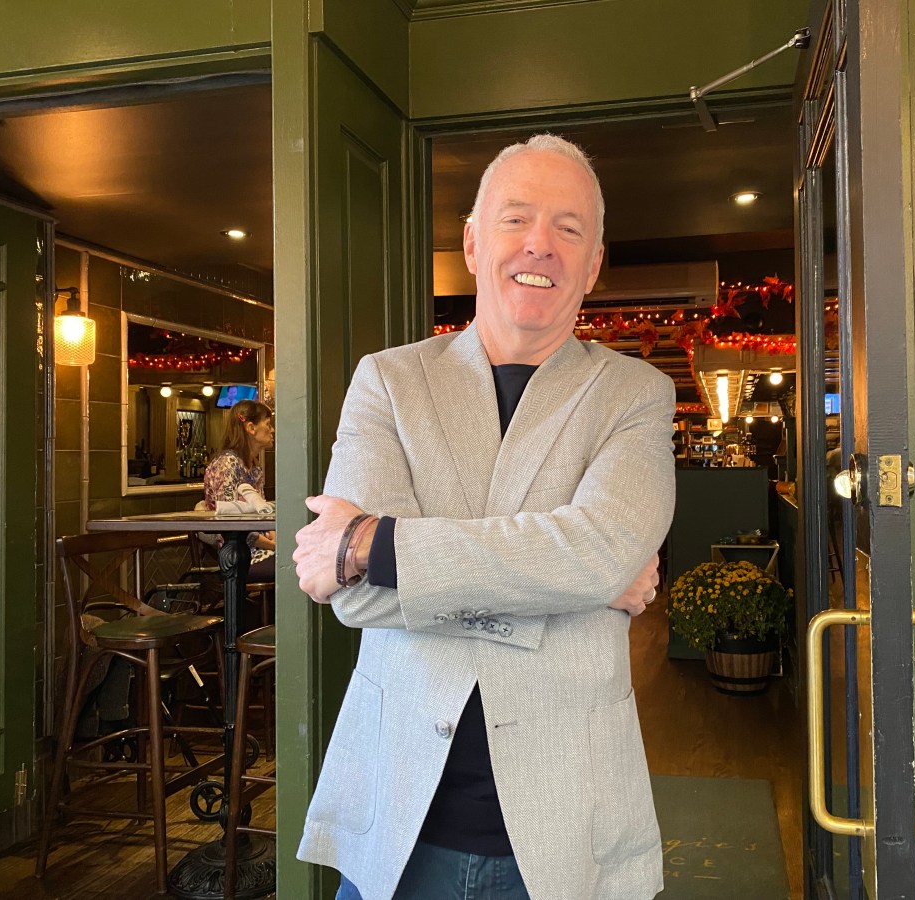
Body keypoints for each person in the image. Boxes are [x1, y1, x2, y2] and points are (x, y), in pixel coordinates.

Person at [293, 134, 675, 900]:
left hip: (567, 821)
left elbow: (599, 553)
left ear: (594, 262)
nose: (541, 244)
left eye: (570, 229)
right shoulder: (389, 381)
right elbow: (360, 599)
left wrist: (376, 543)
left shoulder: (634, 393)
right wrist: (575, 582)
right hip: (399, 815)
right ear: (472, 242)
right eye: (516, 219)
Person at [203, 398, 276, 581]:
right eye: (268, 424)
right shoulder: (227, 464)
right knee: (298, 567)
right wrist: (273, 545)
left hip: (264, 547)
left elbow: (263, 512)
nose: (272, 430)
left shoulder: (255, 467)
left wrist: (275, 538)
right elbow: (229, 522)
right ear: (251, 428)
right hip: (238, 553)